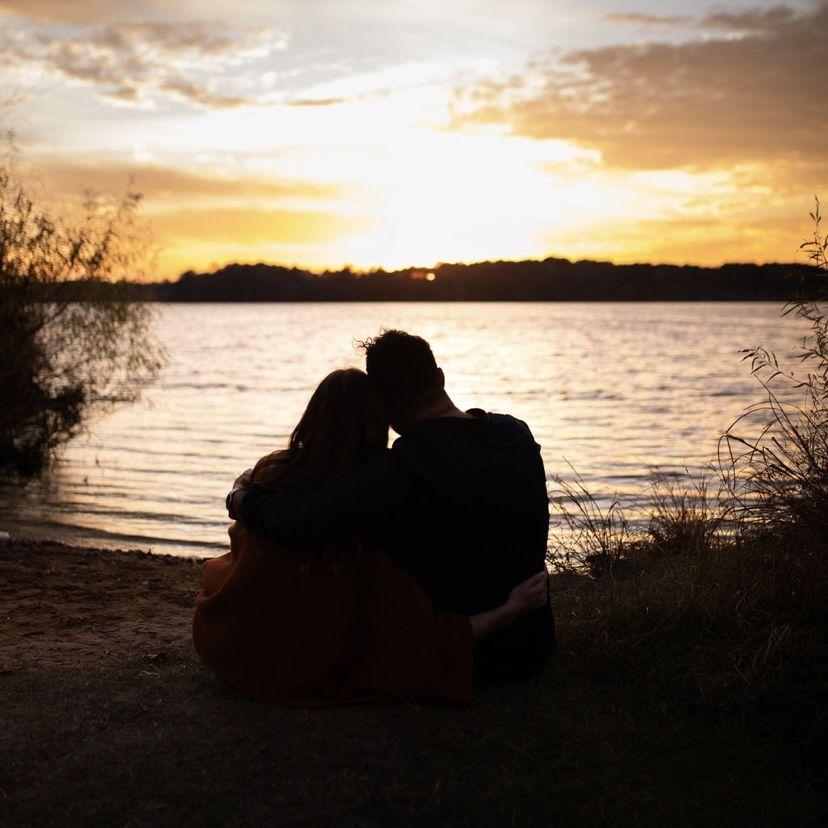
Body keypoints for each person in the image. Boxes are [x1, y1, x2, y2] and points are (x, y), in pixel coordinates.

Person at [195, 368, 548, 707]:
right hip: (300, 663)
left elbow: (289, 522)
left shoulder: (272, 475)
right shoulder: (510, 433)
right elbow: (429, 642)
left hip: (229, 641)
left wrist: (241, 498)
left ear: (311, 417)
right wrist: (509, 609)